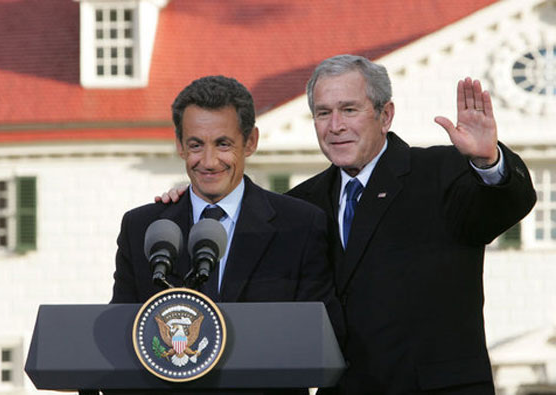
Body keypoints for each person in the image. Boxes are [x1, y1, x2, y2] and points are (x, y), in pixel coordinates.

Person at [156, 56, 536, 394]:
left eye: (349, 109)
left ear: (385, 115)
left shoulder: (440, 171)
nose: (335, 126)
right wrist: (191, 203)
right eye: (323, 113)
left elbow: (505, 206)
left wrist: (489, 163)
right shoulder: (301, 203)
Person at [111, 75, 343, 394]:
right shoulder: (143, 228)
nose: (208, 162)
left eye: (223, 144)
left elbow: (324, 339)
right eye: (196, 145)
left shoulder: (300, 226)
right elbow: (121, 341)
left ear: (250, 142)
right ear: (179, 144)